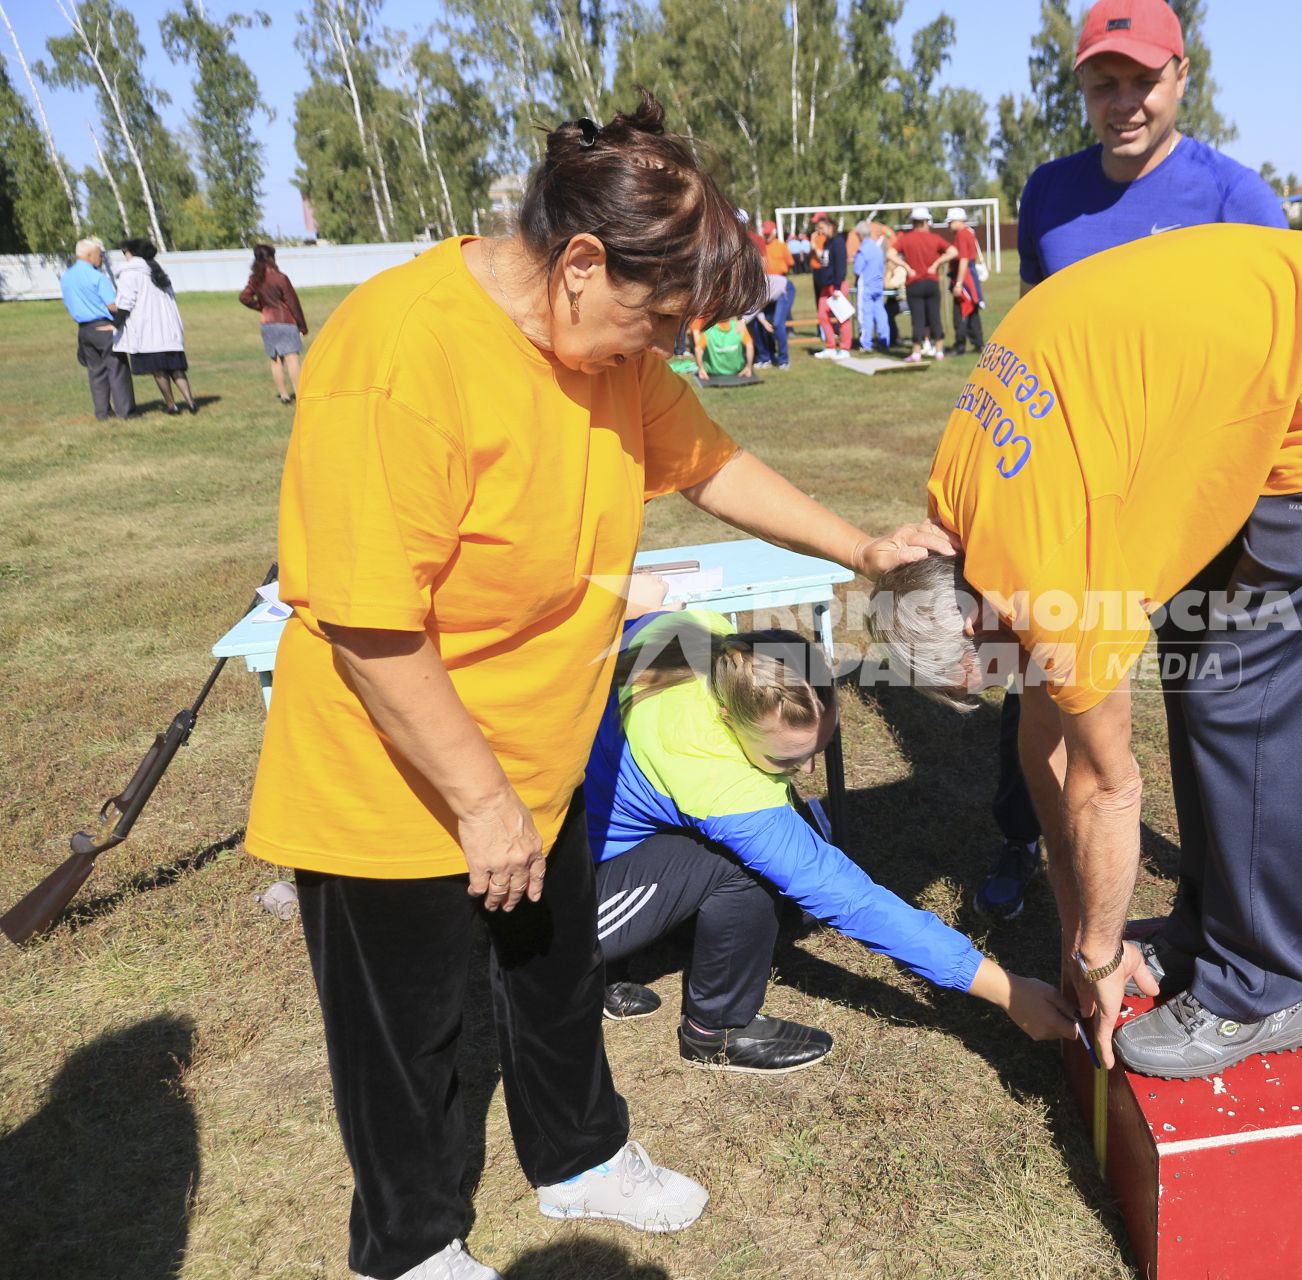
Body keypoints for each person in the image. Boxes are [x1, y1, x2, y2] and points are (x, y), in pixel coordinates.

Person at [243, 95, 955, 1280]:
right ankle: (410, 1244)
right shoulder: (400, 352)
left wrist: (862, 549)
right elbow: (370, 625)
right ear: (580, 262)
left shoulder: (610, 354)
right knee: (409, 1031)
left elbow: (712, 461)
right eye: (658, 319)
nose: (666, 351)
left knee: (555, 973)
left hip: (541, 751)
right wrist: (480, 803)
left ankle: (578, 1153)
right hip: (395, 771)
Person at [867, 224, 1302, 1082]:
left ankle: (1261, 989)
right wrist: (1088, 932)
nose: (1017, 683)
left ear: (974, 618)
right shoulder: (960, 510)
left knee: (1246, 685)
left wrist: (1093, 954)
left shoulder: (1045, 576)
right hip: (1299, 342)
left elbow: (1111, 786)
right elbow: (1043, 750)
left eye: (995, 672)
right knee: (1195, 644)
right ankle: (1211, 930)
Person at [974, 0, 1294, 923]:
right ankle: (1022, 837)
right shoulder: (1047, 193)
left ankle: (1217, 863)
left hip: (1196, 497)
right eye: (1103, 83)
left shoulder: (1238, 200)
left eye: (1142, 81)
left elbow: (1278, 353)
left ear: (1182, 77)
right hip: (1073, 495)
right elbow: (1036, 337)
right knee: (1043, 679)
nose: (1124, 103)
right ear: (1081, 87)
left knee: (1205, 684)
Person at [585, 608, 1079, 1069]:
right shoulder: (715, 780)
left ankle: (625, 956)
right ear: (725, 720)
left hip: (587, 831)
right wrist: (1007, 989)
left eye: (821, 746)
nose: (808, 769)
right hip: (550, 909)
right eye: (787, 759)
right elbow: (853, 901)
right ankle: (716, 1030)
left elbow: (639, 612)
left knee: (765, 839)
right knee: (740, 864)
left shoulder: (697, 633)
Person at [113, 237, 194, 416]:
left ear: (130, 252)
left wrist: (116, 325)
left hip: (148, 329)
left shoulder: (131, 272)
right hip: (169, 328)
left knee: (158, 371)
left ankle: (171, 405)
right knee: (176, 368)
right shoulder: (158, 270)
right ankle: (190, 401)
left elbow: (126, 302)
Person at [60, 236, 132, 420]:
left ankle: (103, 412)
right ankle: (125, 412)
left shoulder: (66, 276)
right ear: (90, 254)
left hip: (84, 330)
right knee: (117, 368)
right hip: (104, 326)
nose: (101, 258)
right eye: (100, 255)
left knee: (95, 371)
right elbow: (112, 305)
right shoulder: (96, 277)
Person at [238, 244, 309, 405]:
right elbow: (292, 302)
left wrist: (261, 307)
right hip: (286, 322)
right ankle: (300, 394)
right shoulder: (280, 278)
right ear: (271, 258)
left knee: (275, 360)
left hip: (267, 323)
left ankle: (284, 395)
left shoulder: (255, 279)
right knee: (292, 360)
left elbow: (244, 297)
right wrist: (302, 325)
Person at [894, 206, 955, 363]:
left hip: (914, 283)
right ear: (926, 222)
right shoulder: (934, 238)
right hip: (931, 282)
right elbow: (953, 251)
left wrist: (906, 267)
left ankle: (916, 352)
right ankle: (939, 351)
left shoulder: (905, 239)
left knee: (917, 318)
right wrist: (936, 264)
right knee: (935, 316)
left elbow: (890, 253)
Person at [944, 207, 985, 357]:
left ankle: (960, 345)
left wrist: (959, 283)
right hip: (969, 276)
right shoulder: (968, 233)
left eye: (950, 222)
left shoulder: (962, 235)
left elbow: (963, 259)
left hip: (964, 277)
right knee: (972, 312)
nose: (948, 225)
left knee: (960, 312)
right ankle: (978, 342)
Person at [811, 213, 852, 360]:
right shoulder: (827, 243)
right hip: (826, 286)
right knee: (822, 315)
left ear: (830, 226)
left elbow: (841, 266)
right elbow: (824, 261)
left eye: (821, 228)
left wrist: (837, 287)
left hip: (837, 286)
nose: (820, 231)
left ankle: (845, 348)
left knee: (843, 317)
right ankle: (830, 346)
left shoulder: (838, 242)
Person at [756, 218, 795, 369]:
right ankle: (768, 355)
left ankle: (784, 359)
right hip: (765, 289)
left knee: (778, 322)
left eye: (768, 234)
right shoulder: (760, 247)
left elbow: (790, 263)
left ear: (774, 232)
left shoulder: (781, 246)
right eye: (764, 234)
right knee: (766, 324)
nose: (766, 236)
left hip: (780, 287)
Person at [852, 221, 890, 354]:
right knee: (880, 313)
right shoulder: (877, 249)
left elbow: (857, 270)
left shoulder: (863, 250)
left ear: (860, 235)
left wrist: (855, 282)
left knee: (865, 314)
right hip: (878, 285)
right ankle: (885, 340)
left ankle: (865, 343)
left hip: (866, 286)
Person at [692, 314, 755, 380]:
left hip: (714, 372)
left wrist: (701, 369)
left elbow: (698, 349)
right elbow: (749, 345)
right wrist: (749, 367)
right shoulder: (739, 326)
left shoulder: (708, 330)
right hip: (736, 370)